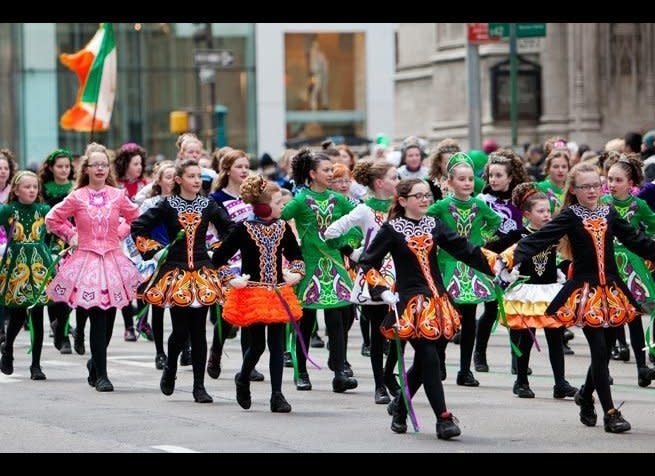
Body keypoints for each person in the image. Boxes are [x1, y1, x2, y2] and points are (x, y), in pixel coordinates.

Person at [501, 162, 655, 433]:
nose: (593, 190)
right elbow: (539, 239)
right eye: (586, 186)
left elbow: (636, 240)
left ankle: (584, 395)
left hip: (612, 290)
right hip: (585, 291)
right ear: (574, 189)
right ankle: (609, 412)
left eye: (597, 185)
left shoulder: (609, 212)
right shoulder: (570, 215)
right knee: (598, 349)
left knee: (605, 350)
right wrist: (509, 258)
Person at [358, 178, 497, 439]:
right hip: (412, 304)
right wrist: (381, 289)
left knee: (425, 363)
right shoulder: (391, 229)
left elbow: (464, 250)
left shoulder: (434, 225)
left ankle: (400, 406)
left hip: (439, 303)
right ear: (402, 201)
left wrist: (497, 265)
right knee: (429, 358)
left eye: (427, 196)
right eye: (418, 196)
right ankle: (443, 419)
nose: (425, 200)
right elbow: (368, 263)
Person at [131, 159, 235, 403]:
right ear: (178, 180)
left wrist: (216, 251)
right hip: (175, 272)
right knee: (179, 331)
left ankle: (199, 387)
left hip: (202, 271)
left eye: (199, 176)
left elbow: (230, 229)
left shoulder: (208, 204)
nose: (197, 180)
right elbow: (139, 227)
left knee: (199, 331)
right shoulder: (167, 205)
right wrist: (156, 251)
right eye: (191, 176)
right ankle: (171, 368)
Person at [45, 143, 142, 392]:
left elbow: (136, 217)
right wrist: (70, 234)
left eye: (103, 164)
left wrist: (120, 232)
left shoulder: (117, 195)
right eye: (94, 164)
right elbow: (52, 218)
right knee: (98, 316)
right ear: (86, 168)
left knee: (109, 318)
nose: (99, 168)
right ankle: (103, 375)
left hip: (112, 259)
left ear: (108, 168)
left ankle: (94, 364)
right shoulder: (77, 196)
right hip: (86, 259)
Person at [213, 175, 305, 413]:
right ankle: (243, 378)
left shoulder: (283, 227)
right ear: (263, 205)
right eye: (278, 202)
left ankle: (277, 394)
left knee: (276, 344)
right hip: (252, 293)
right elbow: (219, 257)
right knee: (257, 346)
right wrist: (231, 277)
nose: (282, 206)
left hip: (276, 293)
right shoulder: (243, 228)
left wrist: (295, 272)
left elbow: (296, 255)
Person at [281, 148, 359, 392]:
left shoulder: (339, 199)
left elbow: (357, 221)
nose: (331, 173)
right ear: (312, 174)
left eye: (331, 169)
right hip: (310, 265)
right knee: (305, 322)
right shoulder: (301, 200)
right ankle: (300, 370)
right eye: (326, 170)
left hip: (335, 265)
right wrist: (293, 246)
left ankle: (339, 372)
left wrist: (348, 245)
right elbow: (280, 218)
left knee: (338, 321)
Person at [325, 159, 399, 403]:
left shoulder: (400, 207)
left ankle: (389, 376)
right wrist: (355, 254)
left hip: (401, 276)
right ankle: (380, 384)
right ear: (380, 183)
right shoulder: (365, 210)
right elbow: (331, 232)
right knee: (378, 335)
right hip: (374, 278)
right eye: (393, 177)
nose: (397, 182)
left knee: (401, 332)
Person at [495, 182, 578, 399]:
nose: (546, 215)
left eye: (548, 211)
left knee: (555, 337)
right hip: (528, 292)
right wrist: (507, 273)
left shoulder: (554, 234)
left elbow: (561, 258)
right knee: (525, 338)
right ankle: (521, 381)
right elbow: (499, 254)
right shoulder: (520, 236)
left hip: (550, 290)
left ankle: (560, 382)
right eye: (540, 211)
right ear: (527, 214)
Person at [427, 153, 501, 386]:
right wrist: (434, 242)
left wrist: (483, 239)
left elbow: (495, 222)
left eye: (470, 179)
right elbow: (423, 222)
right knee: (446, 317)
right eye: (462, 179)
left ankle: (465, 370)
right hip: (447, 267)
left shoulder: (479, 204)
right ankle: (439, 359)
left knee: (469, 319)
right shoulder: (441, 206)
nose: (467, 183)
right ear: (449, 183)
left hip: (472, 268)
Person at [207, 149, 265, 382]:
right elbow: (212, 232)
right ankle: (216, 351)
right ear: (227, 170)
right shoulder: (216, 199)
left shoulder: (253, 196)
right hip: (229, 259)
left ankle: (247, 364)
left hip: (252, 258)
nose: (244, 170)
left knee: (250, 315)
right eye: (239, 166)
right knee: (228, 315)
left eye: (246, 166)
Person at [601, 154, 655, 386]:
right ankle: (601, 368)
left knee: (633, 317)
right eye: (609, 179)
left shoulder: (638, 205)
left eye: (618, 180)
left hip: (632, 266)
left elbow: (653, 226)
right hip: (606, 264)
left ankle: (642, 366)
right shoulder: (602, 202)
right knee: (606, 318)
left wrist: (648, 247)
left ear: (630, 184)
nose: (612, 184)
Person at [474, 149, 529, 373]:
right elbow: (482, 233)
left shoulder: (521, 200)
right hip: (492, 261)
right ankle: (479, 354)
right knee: (491, 309)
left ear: (510, 177)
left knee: (516, 310)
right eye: (490, 175)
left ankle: (518, 360)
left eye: (498, 175)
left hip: (516, 260)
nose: (493, 180)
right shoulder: (482, 200)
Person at [0, 171, 53, 380]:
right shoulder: (8, 210)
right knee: (17, 316)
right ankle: (8, 347)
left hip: (40, 266)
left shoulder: (44, 210)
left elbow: (56, 231)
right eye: (27, 187)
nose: (32, 190)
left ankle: (36, 365)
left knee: (38, 317)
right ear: (16, 190)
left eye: (35, 187)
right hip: (16, 267)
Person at [38, 148, 76, 355]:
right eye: (59, 166)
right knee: (55, 288)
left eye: (67, 166)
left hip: (72, 240)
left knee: (70, 289)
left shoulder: (76, 188)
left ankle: (61, 324)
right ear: (51, 168)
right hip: (49, 241)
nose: (63, 170)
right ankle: (61, 332)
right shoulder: (43, 189)